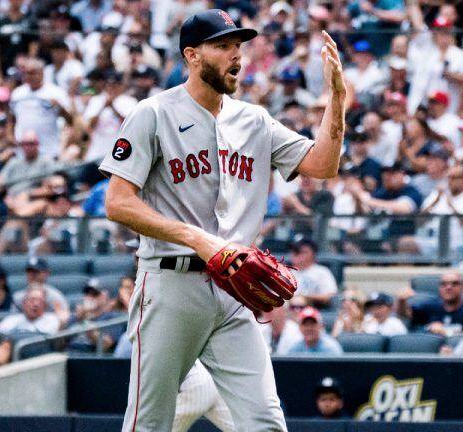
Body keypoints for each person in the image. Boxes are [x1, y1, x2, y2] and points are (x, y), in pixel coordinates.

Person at [101, 9, 345, 431]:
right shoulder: (153, 113)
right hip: (170, 284)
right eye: (223, 46)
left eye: (238, 45)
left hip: (235, 292)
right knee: (150, 423)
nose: (236, 55)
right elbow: (118, 203)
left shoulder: (254, 120)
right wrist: (196, 239)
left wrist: (337, 99)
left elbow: (323, 165)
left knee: (266, 422)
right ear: (192, 55)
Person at [397, 272, 463, 336]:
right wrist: (401, 301)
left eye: (454, 284)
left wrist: (446, 332)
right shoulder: (430, 305)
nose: (449, 287)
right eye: (444, 284)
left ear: (462, 287)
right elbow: (406, 314)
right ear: (439, 288)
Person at [288, 237, 337, 309]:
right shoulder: (285, 272)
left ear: (312, 254)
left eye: (299, 251)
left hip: (312, 312)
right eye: (293, 251)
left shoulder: (321, 272)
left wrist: (304, 296)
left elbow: (329, 296)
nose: (294, 254)